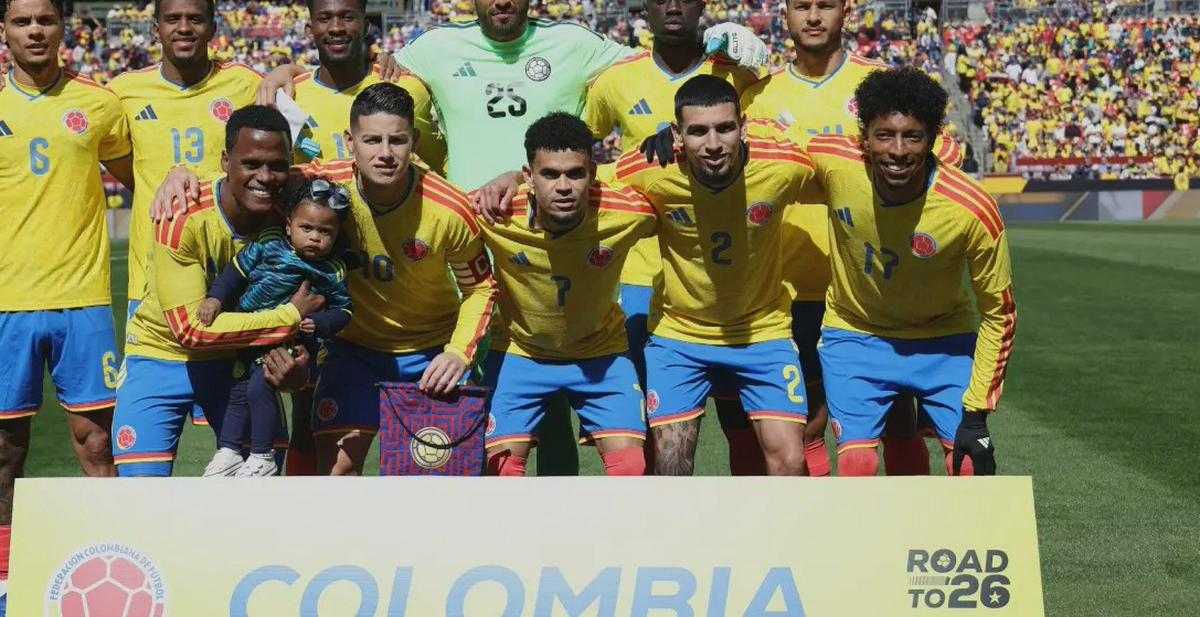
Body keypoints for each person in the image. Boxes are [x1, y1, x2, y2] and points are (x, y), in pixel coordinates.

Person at [151, 84, 497, 477]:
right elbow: (251, 175)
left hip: (431, 353)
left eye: (397, 140)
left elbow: (480, 288)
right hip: (352, 351)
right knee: (336, 476)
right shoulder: (318, 187)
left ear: (415, 142)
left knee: (439, 482)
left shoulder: (450, 209)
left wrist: (458, 353)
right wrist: (181, 174)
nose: (384, 153)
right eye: (372, 140)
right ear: (350, 142)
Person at [732, 0, 962, 476]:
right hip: (785, 288)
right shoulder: (757, 96)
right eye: (802, 6)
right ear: (785, 14)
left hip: (872, 289)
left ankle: (907, 516)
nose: (814, 17)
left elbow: (944, 154)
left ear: (846, 11)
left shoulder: (882, 84)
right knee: (807, 426)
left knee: (897, 423)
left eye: (826, 5)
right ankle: (820, 523)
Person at [582, 0, 761, 473]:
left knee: (741, 419)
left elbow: (763, 139)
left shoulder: (736, 73)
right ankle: (655, 519)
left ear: (703, 6)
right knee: (651, 420)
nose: (673, 6)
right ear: (646, 8)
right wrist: (634, 162)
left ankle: (748, 517)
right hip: (641, 275)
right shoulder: (616, 81)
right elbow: (579, 152)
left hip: (726, 275)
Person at [807, 67, 1014, 477]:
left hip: (943, 340)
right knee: (857, 465)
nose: (898, 150)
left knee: (971, 465)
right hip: (856, 334)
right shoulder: (834, 163)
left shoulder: (971, 208)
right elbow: (763, 154)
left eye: (912, 136)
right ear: (864, 138)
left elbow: (999, 313)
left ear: (933, 139)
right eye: (884, 135)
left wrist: (977, 413)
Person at [615, 75, 813, 476]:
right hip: (680, 335)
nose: (713, 143)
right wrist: (515, 178)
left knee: (790, 462)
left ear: (743, 126)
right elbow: (574, 178)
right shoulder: (648, 169)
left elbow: (845, 167)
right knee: (671, 464)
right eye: (698, 131)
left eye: (725, 128)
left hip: (763, 331)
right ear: (676, 134)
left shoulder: (784, 165)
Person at [0, 0, 135, 579]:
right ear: (4, 30)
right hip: (6, 303)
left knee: (97, 442)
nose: (35, 31)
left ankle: (113, 567)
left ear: (63, 28)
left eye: (45, 20)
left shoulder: (98, 103)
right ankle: (6, 578)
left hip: (84, 300)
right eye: (22, 21)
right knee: (4, 451)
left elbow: (142, 179)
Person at [113, 105, 319, 477]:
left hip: (238, 361)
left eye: (277, 165)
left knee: (259, 483)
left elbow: (361, 169)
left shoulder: (295, 209)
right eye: (251, 164)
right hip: (160, 354)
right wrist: (289, 318)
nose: (265, 177)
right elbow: (191, 330)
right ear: (225, 161)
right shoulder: (182, 212)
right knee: (140, 492)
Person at [105, 0, 262, 431]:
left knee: (243, 447)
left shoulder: (246, 83)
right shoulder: (122, 92)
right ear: (155, 28)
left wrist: (285, 71)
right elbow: (131, 174)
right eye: (173, 19)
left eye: (195, 18)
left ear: (213, 26)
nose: (184, 27)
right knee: (148, 441)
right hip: (151, 289)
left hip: (234, 287)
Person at [478, 112, 653, 477]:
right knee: (501, 471)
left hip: (601, 355)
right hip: (521, 354)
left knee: (631, 469)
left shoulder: (629, 212)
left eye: (575, 174)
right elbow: (440, 212)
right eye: (549, 174)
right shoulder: (495, 212)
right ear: (528, 176)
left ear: (593, 171)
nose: (563, 186)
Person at [200, 178, 354, 477]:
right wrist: (215, 298)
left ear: (336, 235)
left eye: (325, 232)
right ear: (288, 225)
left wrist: (319, 323)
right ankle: (229, 451)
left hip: (290, 342)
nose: (314, 237)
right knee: (239, 392)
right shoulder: (268, 244)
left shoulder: (331, 270)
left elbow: (344, 311)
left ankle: (262, 455)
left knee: (260, 387)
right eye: (306, 228)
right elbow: (234, 272)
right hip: (250, 334)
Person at [284, 0, 445, 175]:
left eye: (348, 17)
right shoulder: (288, 96)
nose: (336, 27)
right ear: (310, 30)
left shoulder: (404, 87)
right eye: (324, 18)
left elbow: (439, 167)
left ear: (366, 27)